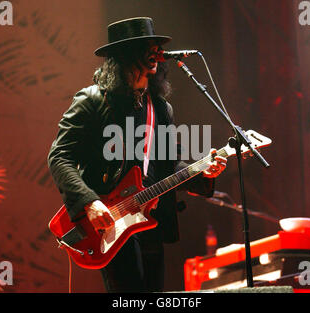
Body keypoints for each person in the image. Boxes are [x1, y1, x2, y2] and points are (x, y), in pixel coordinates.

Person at [48, 17, 227, 292]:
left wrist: (203, 170)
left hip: (149, 218)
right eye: (147, 48)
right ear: (125, 55)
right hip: (109, 217)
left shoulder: (160, 108)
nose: (156, 54)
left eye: (157, 48)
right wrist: (90, 203)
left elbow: (168, 165)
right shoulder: (92, 100)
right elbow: (59, 156)